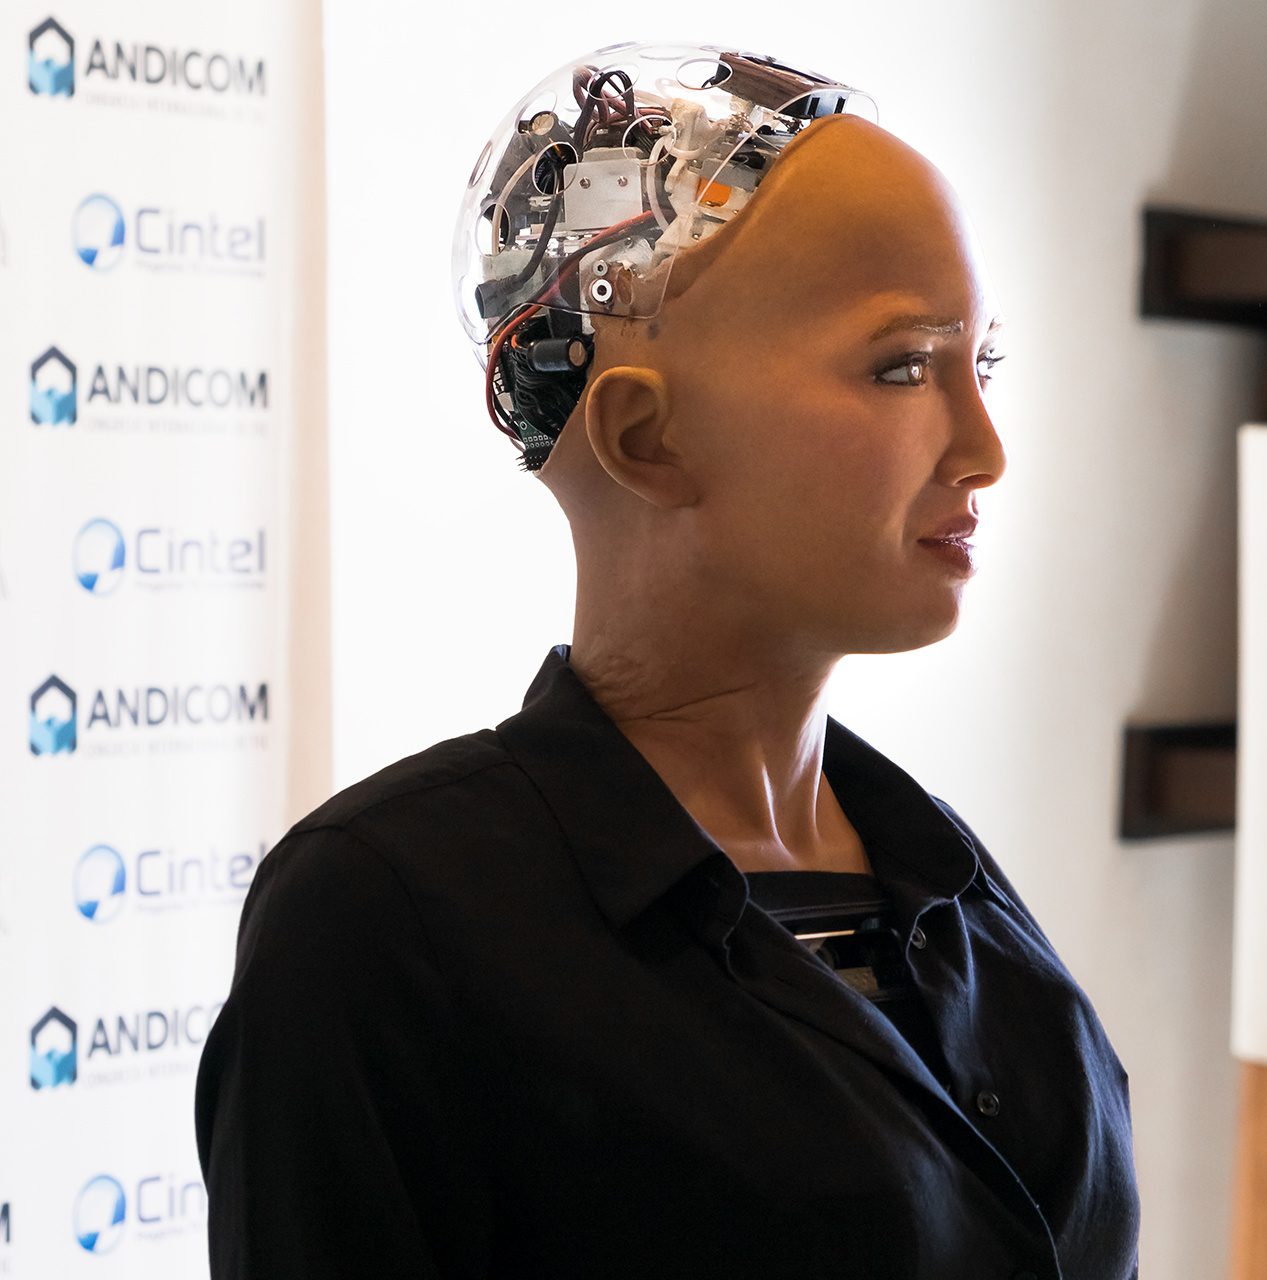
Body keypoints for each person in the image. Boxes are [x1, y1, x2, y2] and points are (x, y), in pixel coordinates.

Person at [195, 43, 1140, 1279]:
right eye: (902, 365)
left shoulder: (946, 883)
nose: (984, 448)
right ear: (644, 437)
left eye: (984, 365)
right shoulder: (393, 918)